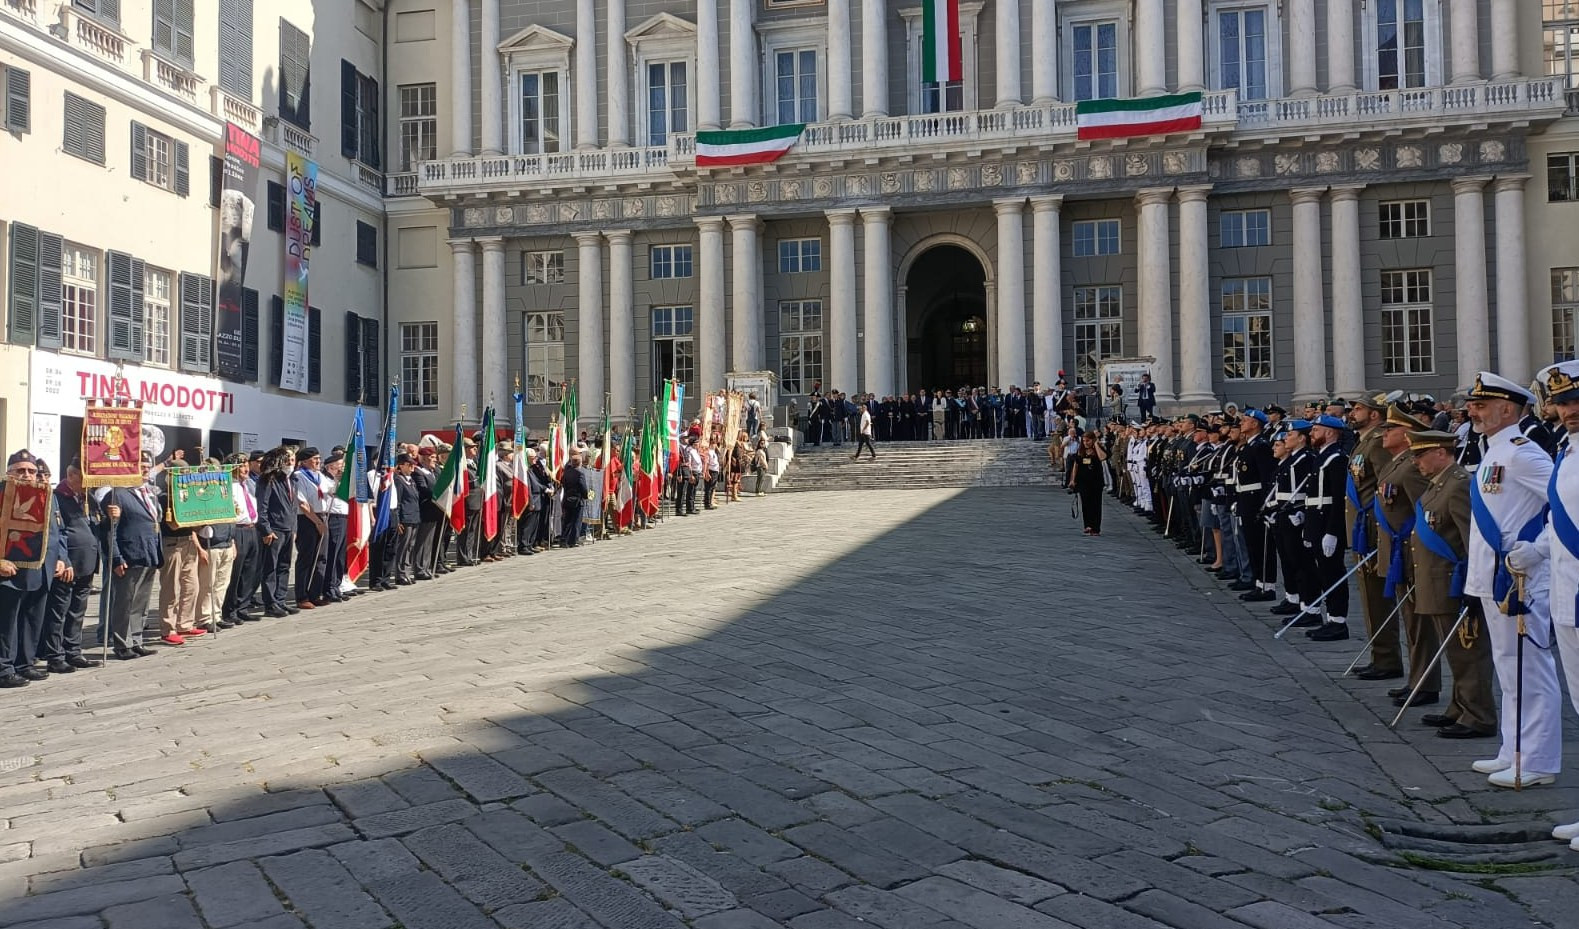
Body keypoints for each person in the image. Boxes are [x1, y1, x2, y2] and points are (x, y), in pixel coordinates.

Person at [1461, 372, 1559, 789]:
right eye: (1473, 405)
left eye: (1481, 406)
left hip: (1522, 579)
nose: (1472, 411)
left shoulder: (1522, 453)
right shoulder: (1493, 450)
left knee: (1531, 669)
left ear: (1508, 409)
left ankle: (1537, 760)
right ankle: (1513, 749)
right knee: (1509, 668)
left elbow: (1566, 503)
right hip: (1495, 577)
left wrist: (1539, 549)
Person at [1517, 361, 1579, 844]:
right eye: (1561, 401)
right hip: (1564, 593)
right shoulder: (1566, 448)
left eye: (1576, 400)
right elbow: (1561, 518)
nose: (1569, 410)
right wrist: (1537, 550)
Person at [1407, 428, 1496, 740]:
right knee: (1455, 651)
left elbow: (1471, 539)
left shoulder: (1457, 486)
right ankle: (1459, 708)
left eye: (1420, 454)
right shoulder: (1438, 485)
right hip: (1435, 581)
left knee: (1467, 652)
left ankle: (1479, 715)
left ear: (1441, 453)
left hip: (1452, 582)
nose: (1416, 461)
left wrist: (1473, 584)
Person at [1370, 405, 1437, 702]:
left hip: (1409, 553)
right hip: (1396, 550)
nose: (1383, 434)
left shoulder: (1411, 466)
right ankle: (1416, 678)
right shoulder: (1395, 463)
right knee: (1409, 619)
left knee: (1418, 622)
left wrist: (1415, 551)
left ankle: (1425, 682)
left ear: (1407, 435)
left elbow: (1425, 511)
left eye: (1390, 429)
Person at [1346, 393, 1403, 679]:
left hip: (1370, 527)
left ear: (1375, 415)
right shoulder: (1364, 441)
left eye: (1358, 409)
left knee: (1378, 598)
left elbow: (1386, 487)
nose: (1352, 413)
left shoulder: (1378, 443)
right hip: (1361, 527)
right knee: (1369, 599)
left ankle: (1387, 658)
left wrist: (1381, 528)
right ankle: (1379, 654)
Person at [0, 451, 69, 686]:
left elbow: (56, 531)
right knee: (7, 622)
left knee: (31, 619)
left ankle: (24, 664)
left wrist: (60, 558)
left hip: (40, 568)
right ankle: (3, 668)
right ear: (9, 472)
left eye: (31, 470)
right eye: (20, 470)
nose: (27, 475)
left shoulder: (44, 494)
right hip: (8, 571)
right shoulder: (2, 493)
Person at [38, 461, 104, 672]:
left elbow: (95, 524)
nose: (88, 483)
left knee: (77, 611)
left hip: (87, 562)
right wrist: (64, 560)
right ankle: (55, 655)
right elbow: (59, 534)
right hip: (68, 564)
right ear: (72, 475)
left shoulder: (89, 498)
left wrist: (111, 517)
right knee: (59, 611)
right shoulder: (58, 497)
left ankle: (73, 650)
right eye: (85, 477)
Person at [1299, 414, 1351, 641]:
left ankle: (1338, 621)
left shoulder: (1336, 459)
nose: (1311, 434)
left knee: (1333, 572)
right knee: (1323, 572)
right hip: (1316, 523)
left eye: (1316, 430)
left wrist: (1332, 531)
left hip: (1327, 523)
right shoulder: (1321, 457)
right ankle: (1330, 618)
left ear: (1330, 432)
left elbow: (1338, 499)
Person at [256, 447, 299, 618]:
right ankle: (271, 603)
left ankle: (280, 600)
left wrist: (294, 528)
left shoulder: (293, 480)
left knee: (284, 566)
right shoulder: (269, 479)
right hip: (275, 530)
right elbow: (262, 507)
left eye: (292, 459)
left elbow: (294, 507)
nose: (290, 462)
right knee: (270, 568)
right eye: (287, 459)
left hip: (288, 529)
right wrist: (266, 529)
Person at [222, 452, 262, 624]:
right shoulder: (228, 485)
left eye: (246, 465)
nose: (246, 469)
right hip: (237, 530)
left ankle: (243, 606)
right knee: (235, 573)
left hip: (252, 529)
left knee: (249, 571)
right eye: (242, 466)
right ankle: (230, 609)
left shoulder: (249, 484)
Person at [291, 447, 330, 610]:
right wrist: (317, 522)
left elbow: (330, 492)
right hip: (307, 519)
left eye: (319, 458)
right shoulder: (299, 477)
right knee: (306, 558)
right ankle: (302, 596)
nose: (318, 462)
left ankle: (315, 593)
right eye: (315, 459)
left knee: (320, 558)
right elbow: (303, 504)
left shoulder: (320, 476)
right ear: (305, 461)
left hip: (322, 515)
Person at [1068, 432, 1108, 535]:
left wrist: (1096, 445)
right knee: (1085, 503)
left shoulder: (1098, 449)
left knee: (1096, 504)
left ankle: (1096, 528)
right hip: (1083, 481)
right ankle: (1088, 525)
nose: (1086, 443)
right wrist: (1073, 480)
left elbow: (1103, 457)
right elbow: (1076, 466)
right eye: (1084, 441)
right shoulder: (1080, 451)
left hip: (1096, 481)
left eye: (1088, 441)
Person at [559, 452, 589, 545]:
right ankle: (573, 541)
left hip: (567, 499)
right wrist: (586, 496)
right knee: (576, 521)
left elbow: (562, 482)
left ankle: (563, 539)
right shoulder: (580, 474)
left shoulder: (566, 473)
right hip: (577, 500)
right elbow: (583, 487)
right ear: (580, 463)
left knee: (566, 521)